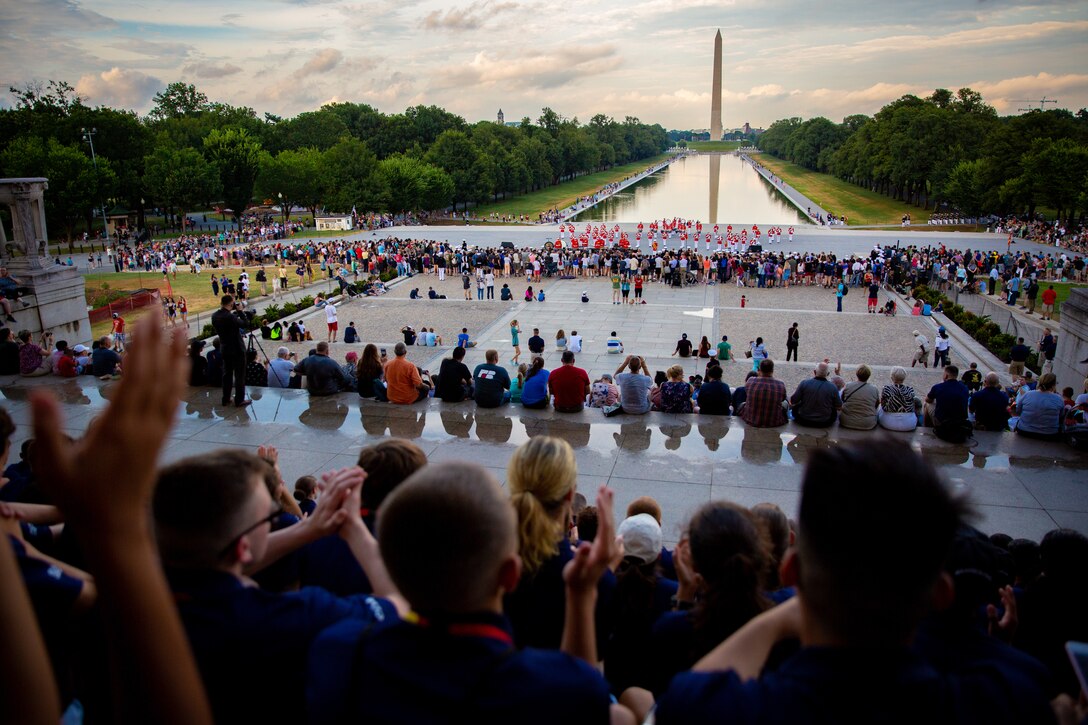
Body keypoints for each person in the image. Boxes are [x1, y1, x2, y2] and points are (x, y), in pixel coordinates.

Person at [655, 440, 1053, 724]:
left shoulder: (708, 708)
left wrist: (778, 619)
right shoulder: (1016, 699)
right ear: (940, 596)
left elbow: (690, 689)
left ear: (791, 573)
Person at [310, 462, 625, 724]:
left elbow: (394, 597)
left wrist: (353, 528)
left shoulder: (340, 648)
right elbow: (585, 694)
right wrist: (581, 594)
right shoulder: (550, 690)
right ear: (510, 576)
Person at [151, 450, 402, 725]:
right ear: (243, 546)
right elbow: (397, 603)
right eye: (270, 516)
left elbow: (221, 560)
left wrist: (309, 530)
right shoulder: (297, 615)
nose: (275, 516)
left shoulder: (139, 593)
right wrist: (353, 526)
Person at [504, 437, 619, 654]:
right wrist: (606, 573)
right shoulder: (594, 582)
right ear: (570, 494)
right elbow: (592, 674)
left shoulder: (484, 563)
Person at [211, 295, 250, 408]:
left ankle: (226, 398)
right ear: (231, 304)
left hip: (224, 347)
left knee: (227, 374)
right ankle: (239, 399)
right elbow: (245, 324)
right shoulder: (230, 317)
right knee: (239, 375)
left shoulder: (215, 316)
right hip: (237, 348)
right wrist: (241, 312)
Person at [926, 365, 971, 442]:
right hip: (960, 421)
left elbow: (928, 400)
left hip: (943, 421)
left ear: (946, 375)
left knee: (926, 405)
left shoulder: (938, 387)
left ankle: (927, 429)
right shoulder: (965, 388)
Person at [1013, 372, 1064, 439]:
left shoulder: (1028, 394)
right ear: (1054, 385)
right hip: (1049, 434)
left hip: (1024, 431)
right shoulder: (1059, 399)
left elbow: (1018, 411)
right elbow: (1061, 416)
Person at [789, 362, 841, 428]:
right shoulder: (833, 387)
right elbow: (839, 406)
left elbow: (793, 401)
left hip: (804, 420)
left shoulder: (804, 383)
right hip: (824, 422)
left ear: (814, 372)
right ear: (828, 374)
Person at [740, 359, 788, 427]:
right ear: (772, 370)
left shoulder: (750, 381)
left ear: (759, 370)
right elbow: (783, 399)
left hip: (751, 419)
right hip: (774, 422)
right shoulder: (780, 384)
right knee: (786, 403)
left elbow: (747, 392)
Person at [838, 364, 880, 430]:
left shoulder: (848, 385)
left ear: (857, 374)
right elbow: (876, 405)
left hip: (846, 421)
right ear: (869, 375)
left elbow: (842, 399)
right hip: (868, 423)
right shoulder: (874, 389)